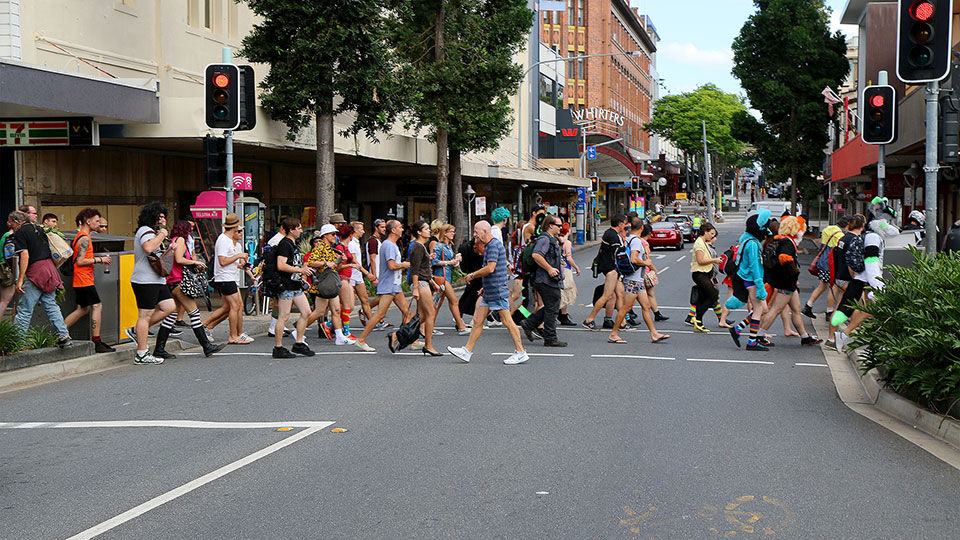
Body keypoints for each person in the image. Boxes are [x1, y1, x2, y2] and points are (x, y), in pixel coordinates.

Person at [446, 220, 529, 365]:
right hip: (491, 289)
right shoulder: (492, 245)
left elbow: (490, 268)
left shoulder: (493, 246)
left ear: (485, 231)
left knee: (507, 321)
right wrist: (485, 286)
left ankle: (521, 352)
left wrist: (472, 275)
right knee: (478, 321)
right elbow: (497, 268)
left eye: (476, 232)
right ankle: (467, 350)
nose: (474, 235)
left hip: (496, 290)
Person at [11, 205, 71, 348]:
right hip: (50, 270)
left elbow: (24, 255)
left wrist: (20, 280)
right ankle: (63, 334)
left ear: (16, 221)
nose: (10, 225)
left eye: (11, 222)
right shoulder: (39, 229)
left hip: (36, 272)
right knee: (51, 305)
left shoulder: (20, 233)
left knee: (25, 308)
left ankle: (17, 342)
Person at [757, 216, 821, 346]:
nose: (803, 231)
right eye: (801, 228)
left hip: (788, 283)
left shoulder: (783, 240)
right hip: (787, 283)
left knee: (796, 309)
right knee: (776, 309)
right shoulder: (788, 243)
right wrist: (793, 271)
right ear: (795, 229)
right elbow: (784, 257)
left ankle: (804, 336)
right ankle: (759, 335)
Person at [165, 220, 225, 357]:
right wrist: (195, 261)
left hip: (174, 281)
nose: (191, 230)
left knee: (171, 316)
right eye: (189, 228)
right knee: (194, 313)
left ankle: (159, 347)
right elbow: (179, 259)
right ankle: (206, 346)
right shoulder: (180, 240)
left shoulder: (177, 240)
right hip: (178, 281)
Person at [606, 218, 670, 344]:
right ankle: (613, 334)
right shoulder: (636, 241)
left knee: (646, 306)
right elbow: (634, 259)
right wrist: (646, 263)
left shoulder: (629, 238)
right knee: (626, 308)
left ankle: (654, 333)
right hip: (633, 280)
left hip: (637, 280)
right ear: (642, 228)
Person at [354, 220, 414, 352]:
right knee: (379, 314)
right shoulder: (389, 245)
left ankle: (408, 339)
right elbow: (391, 266)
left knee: (407, 312)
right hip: (389, 285)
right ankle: (361, 340)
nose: (402, 229)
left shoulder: (391, 244)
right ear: (393, 230)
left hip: (395, 285)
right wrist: (404, 265)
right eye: (400, 227)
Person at [128, 202, 176, 364]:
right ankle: (142, 353)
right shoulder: (145, 231)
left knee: (169, 307)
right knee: (145, 315)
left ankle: (136, 330)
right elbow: (148, 248)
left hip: (156, 279)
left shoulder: (153, 233)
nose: (163, 220)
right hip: (145, 280)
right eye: (160, 216)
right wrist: (162, 234)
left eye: (164, 217)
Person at [62, 208, 115, 353]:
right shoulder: (85, 238)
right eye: (97, 221)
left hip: (81, 279)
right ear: (88, 221)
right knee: (97, 306)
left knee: (82, 309)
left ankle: (60, 332)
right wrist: (100, 259)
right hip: (83, 279)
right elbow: (80, 261)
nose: (99, 224)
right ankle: (96, 341)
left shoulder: (82, 236)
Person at [201, 214, 252, 344]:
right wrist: (238, 256)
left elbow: (228, 261)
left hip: (229, 277)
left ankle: (206, 325)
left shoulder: (228, 240)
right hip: (225, 277)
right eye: (238, 228)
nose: (239, 231)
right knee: (235, 306)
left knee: (231, 307)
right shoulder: (223, 240)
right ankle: (233, 335)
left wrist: (240, 264)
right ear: (234, 227)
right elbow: (222, 261)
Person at [726, 209, 772, 351]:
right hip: (752, 280)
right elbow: (754, 265)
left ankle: (738, 329)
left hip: (747, 279)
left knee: (762, 309)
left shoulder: (747, 240)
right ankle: (752, 341)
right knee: (758, 309)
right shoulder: (753, 244)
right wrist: (760, 285)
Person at [304, 225, 356, 346]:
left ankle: (339, 336)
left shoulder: (331, 248)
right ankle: (299, 330)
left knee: (336, 310)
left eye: (336, 234)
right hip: (324, 282)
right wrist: (326, 263)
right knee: (319, 312)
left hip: (330, 281)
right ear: (325, 235)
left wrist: (340, 261)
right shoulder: (320, 247)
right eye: (333, 234)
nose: (335, 236)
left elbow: (335, 267)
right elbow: (311, 261)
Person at [520, 215, 566, 347]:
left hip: (547, 279)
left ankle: (530, 324)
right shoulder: (545, 239)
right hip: (545, 279)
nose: (560, 228)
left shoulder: (552, 239)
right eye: (558, 225)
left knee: (552, 305)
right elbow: (536, 255)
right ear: (550, 225)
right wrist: (550, 268)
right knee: (553, 306)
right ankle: (550, 337)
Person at [272, 217, 315, 358]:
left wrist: (303, 276)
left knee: (306, 312)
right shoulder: (285, 244)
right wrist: (301, 271)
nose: (301, 231)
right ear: (291, 230)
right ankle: (278, 347)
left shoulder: (293, 244)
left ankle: (299, 343)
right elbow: (281, 265)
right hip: (286, 285)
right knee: (284, 316)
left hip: (295, 284)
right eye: (299, 228)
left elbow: (294, 264)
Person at [826, 214, 864, 350]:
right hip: (849, 279)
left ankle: (832, 336)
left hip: (839, 277)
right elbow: (852, 261)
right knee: (856, 307)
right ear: (862, 225)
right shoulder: (855, 240)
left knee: (840, 307)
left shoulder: (843, 238)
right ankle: (847, 334)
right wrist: (855, 278)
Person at [582, 215, 627, 330]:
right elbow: (618, 254)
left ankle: (620, 321)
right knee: (607, 295)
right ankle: (589, 320)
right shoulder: (613, 236)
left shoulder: (609, 233)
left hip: (612, 268)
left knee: (618, 294)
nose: (625, 226)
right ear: (620, 224)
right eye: (624, 224)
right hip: (611, 269)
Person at [406, 220, 442, 356]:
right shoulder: (417, 246)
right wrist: (415, 288)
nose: (429, 230)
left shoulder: (422, 246)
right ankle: (428, 345)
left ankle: (397, 336)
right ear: (419, 232)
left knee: (421, 315)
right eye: (426, 228)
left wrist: (433, 283)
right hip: (420, 283)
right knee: (430, 313)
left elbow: (423, 268)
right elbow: (414, 270)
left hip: (424, 282)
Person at [801, 216, 848, 319]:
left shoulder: (827, 229)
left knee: (822, 286)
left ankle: (808, 305)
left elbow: (820, 243)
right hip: (831, 264)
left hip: (822, 261)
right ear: (847, 225)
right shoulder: (840, 235)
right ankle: (829, 311)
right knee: (833, 287)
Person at [432, 223, 469, 335]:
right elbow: (434, 261)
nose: (453, 234)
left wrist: (455, 262)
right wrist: (450, 262)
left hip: (446, 277)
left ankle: (428, 326)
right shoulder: (439, 246)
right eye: (451, 232)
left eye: (453, 231)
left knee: (437, 304)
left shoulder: (448, 246)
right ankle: (460, 326)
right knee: (453, 300)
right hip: (441, 277)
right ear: (445, 233)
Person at [689, 223, 723, 333]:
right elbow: (700, 260)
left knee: (703, 298)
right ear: (705, 232)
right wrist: (714, 260)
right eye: (711, 234)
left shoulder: (703, 242)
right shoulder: (699, 244)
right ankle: (697, 319)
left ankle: (698, 322)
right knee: (713, 294)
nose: (712, 236)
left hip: (705, 273)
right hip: (700, 274)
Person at [347, 221, 376, 330]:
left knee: (365, 299)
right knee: (349, 304)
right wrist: (366, 272)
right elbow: (354, 260)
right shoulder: (351, 243)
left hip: (358, 276)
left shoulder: (356, 242)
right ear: (355, 231)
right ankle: (335, 324)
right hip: (351, 275)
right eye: (361, 230)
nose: (363, 232)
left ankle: (372, 321)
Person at [639, 225, 669, 322]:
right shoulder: (644, 243)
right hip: (645, 271)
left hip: (639, 271)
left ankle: (657, 313)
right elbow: (647, 259)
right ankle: (656, 314)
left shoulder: (637, 240)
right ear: (649, 233)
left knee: (646, 293)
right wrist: (654, 269)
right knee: (649, 294)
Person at [0, 211, 27, 318]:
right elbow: (10, 256)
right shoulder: (10, 237)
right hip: (8, 270)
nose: (7, 223)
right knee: (5, 300)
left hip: (8, 269)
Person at [557, 222, 580, 326]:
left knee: (561, 291)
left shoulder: (556, 241)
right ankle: (563, 315)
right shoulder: (567, 242)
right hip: (566, 269)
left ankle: (561, 313)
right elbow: (569, 257)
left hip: (558, 267)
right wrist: (576, 267)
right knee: (566, 292)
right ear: (568, 230)